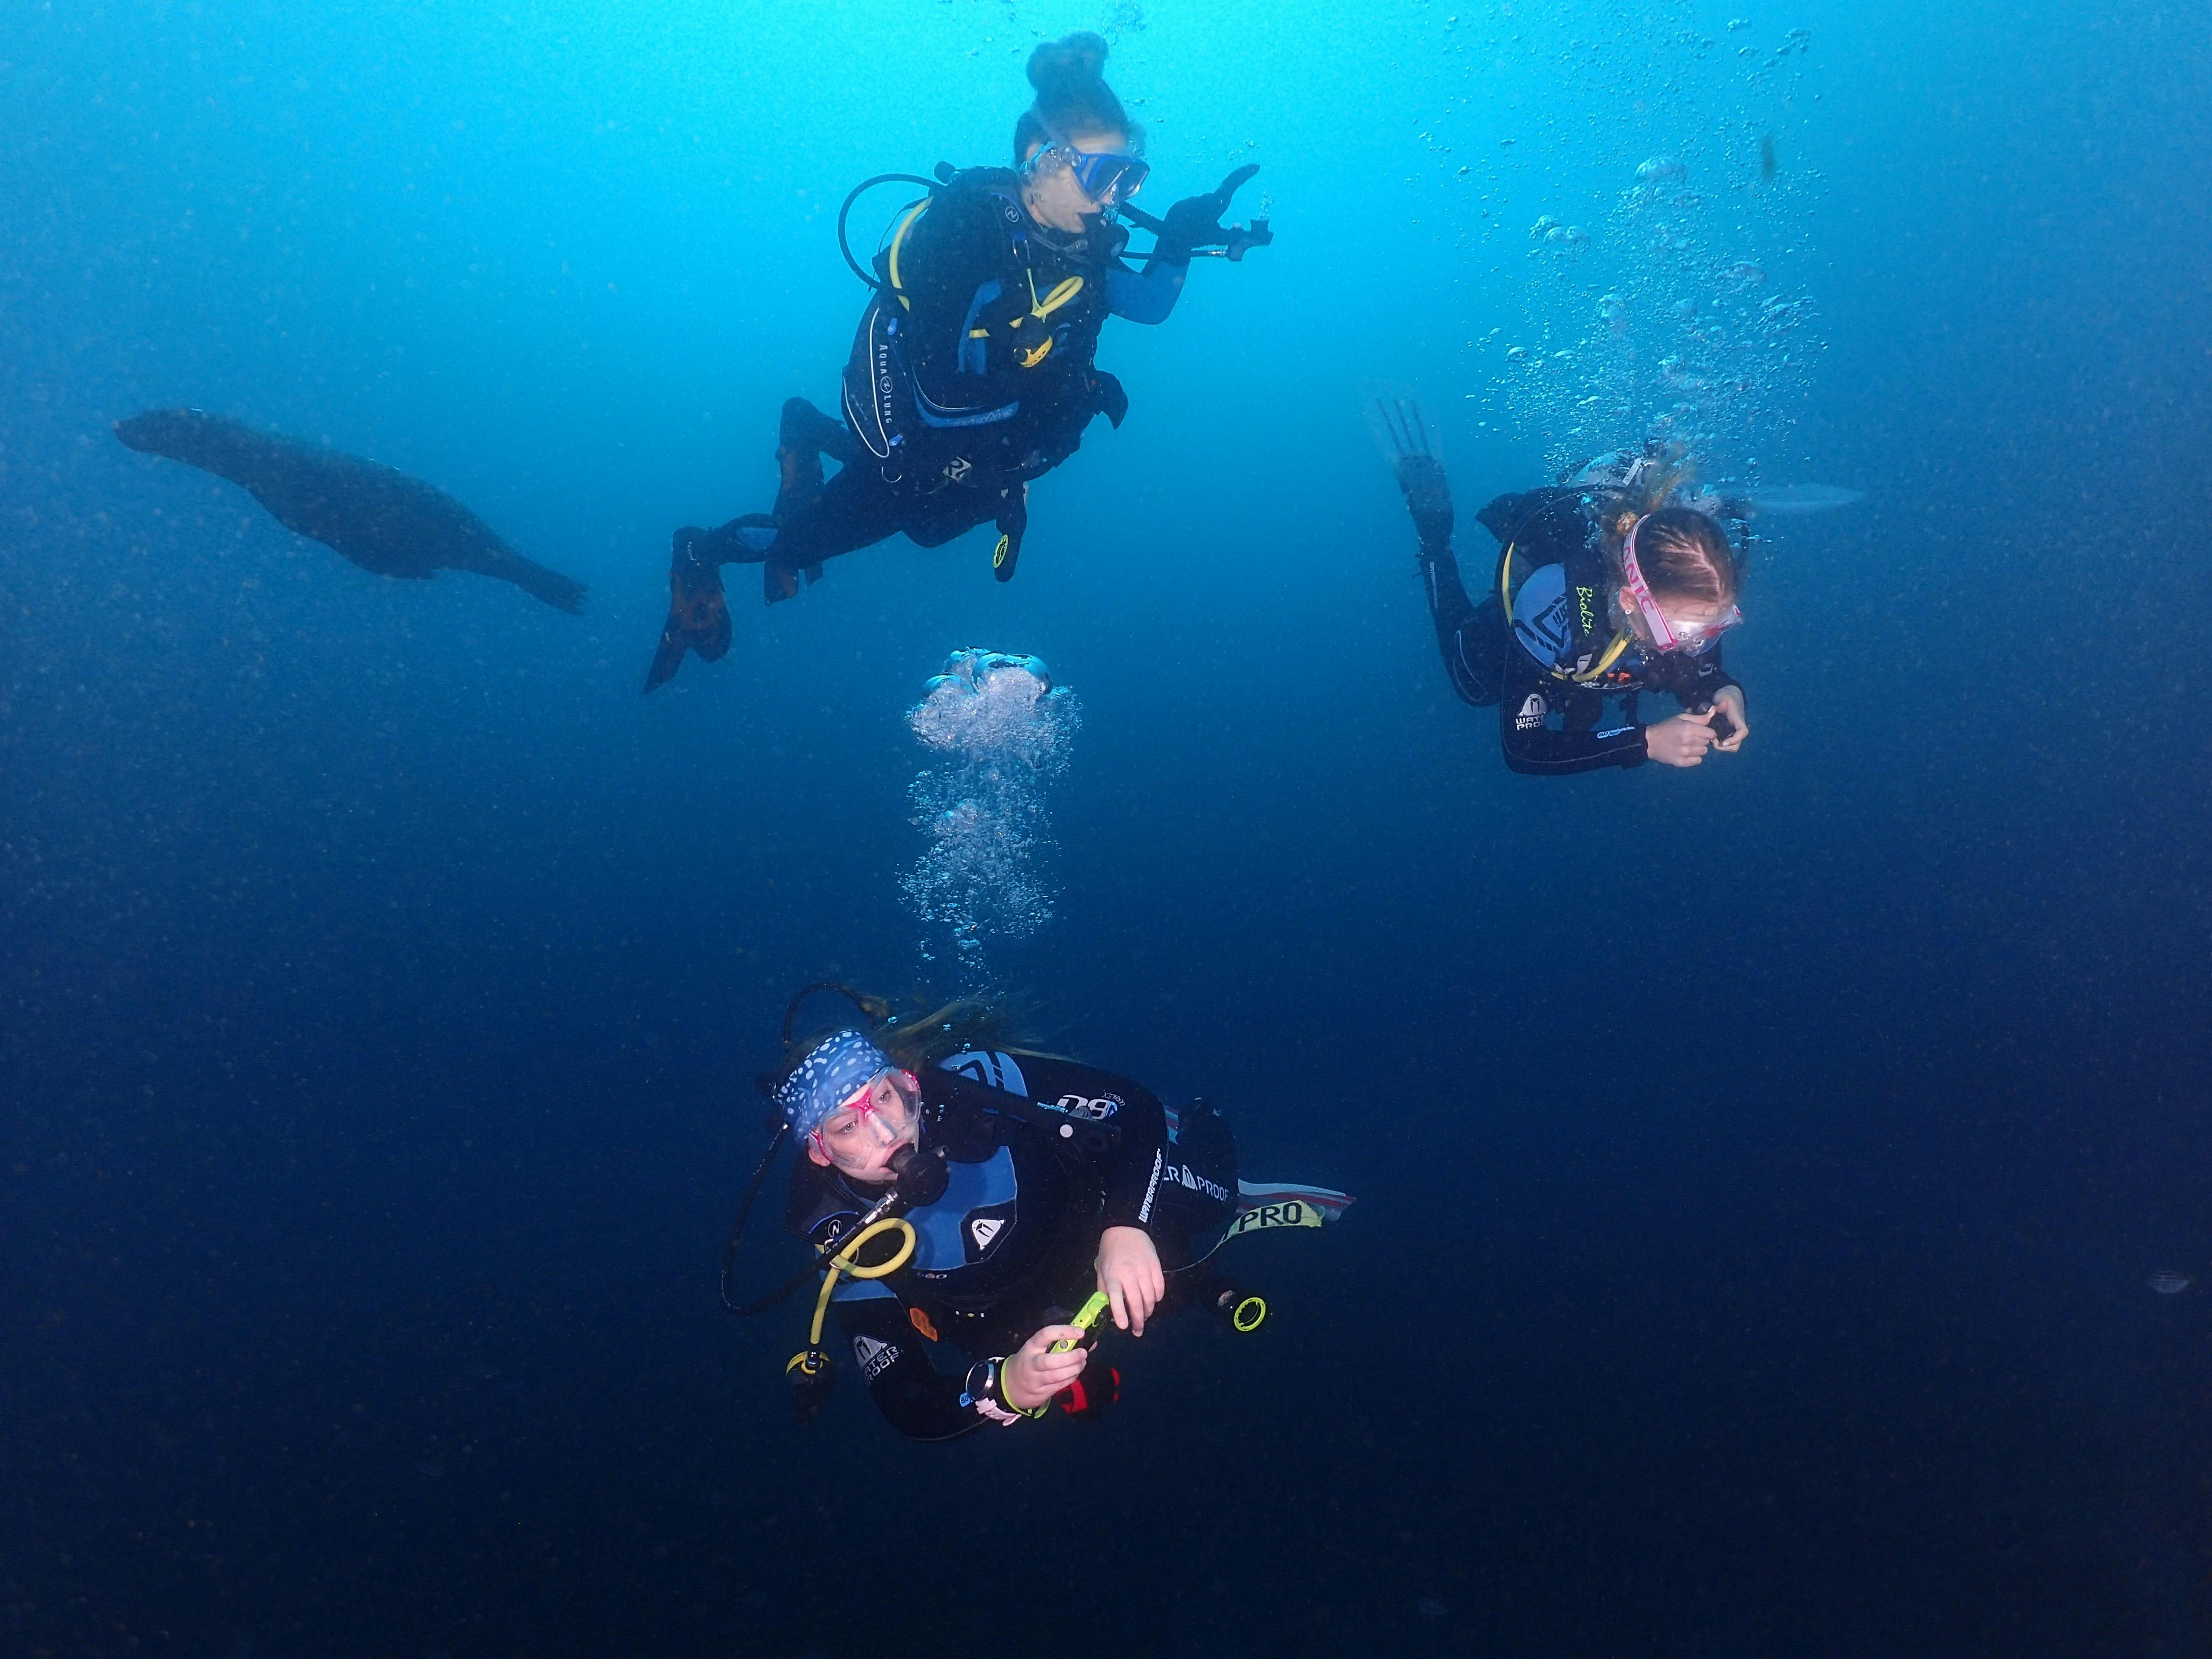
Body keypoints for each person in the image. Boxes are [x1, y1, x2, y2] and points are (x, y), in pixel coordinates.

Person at [646, 32, 1261, 690]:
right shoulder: (967, 237)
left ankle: (807, 430)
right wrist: (1040, 416)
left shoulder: (1081, 245)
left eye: (1130, 177)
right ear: (1044, 162)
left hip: (984, 419)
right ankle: (701, 548)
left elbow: (1146, 305)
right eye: (1104, 175)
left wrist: (1176, 236)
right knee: (844, 530)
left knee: (937, 527)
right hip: (911, 412)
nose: (1117, 197)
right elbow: (940, 398)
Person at [746, 1001, 1275, 1441]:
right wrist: (1003, 1389)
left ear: (905, 1083)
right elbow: (909, 1403)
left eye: (885, 1097)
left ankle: (1204, 1120)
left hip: (1097, 1216)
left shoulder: (978, 1083)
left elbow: (1134, 1108)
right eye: (846, 1127)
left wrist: (1126, 1223)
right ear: (818, 1152)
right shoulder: (844, 1236)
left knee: (1217, 1199)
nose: (887, 1133)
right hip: (1014, 1316)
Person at [1377, 396, 1753, 774]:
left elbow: (1699, 676)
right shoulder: (1551, 605)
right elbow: (1523, 749)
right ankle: (1435, 538)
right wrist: (1645, 742)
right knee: (1473, 685)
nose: (1696, 645)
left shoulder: (1692, 603)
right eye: (1686, 632)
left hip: (1590, 671)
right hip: (1517, 647)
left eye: (1716, 626)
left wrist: (1725, 693)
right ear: (1630, 600)